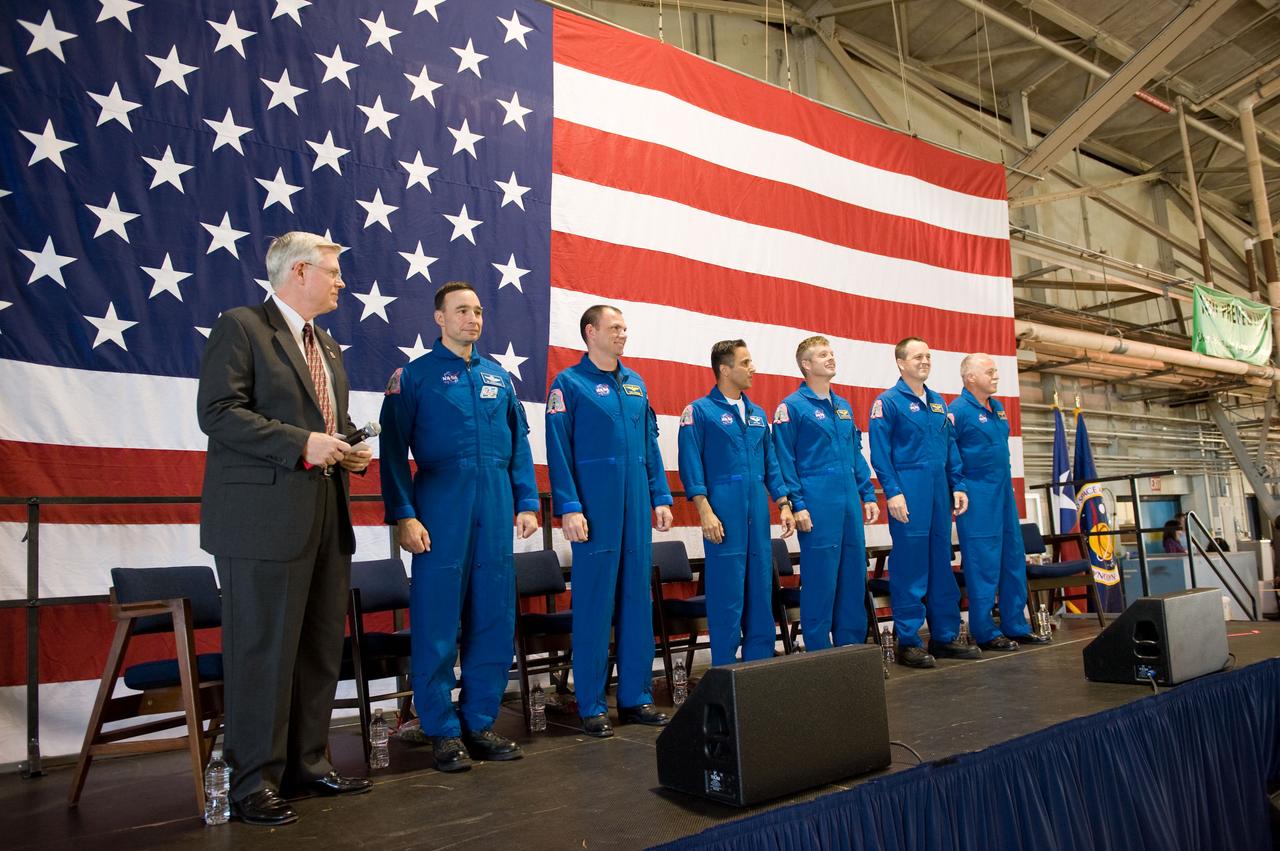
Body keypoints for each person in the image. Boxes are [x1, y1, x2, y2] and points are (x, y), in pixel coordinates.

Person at [197, 231, 373, 826]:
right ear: (299, 273)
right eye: (333, 272)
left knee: (319, 648)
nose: (341, 283)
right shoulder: (243, 327)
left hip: (325, 512)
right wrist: (302, 444)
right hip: (261, 522)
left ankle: (308, 763)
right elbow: (218, 413)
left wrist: (348, 448)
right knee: (262, 652)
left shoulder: (326, 343)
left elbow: (331, 421)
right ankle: (253, 781)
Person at [379, 282, 540, 773]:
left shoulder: (498, 378)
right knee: (437, 620)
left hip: (493, 502)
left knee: (493, 615)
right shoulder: (414, 378)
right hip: (439, 503)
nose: (472, 318)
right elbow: (391, 454)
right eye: (461, 310)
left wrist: (527, 501)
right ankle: (442, 730)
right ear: (439, 319)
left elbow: (519, 447)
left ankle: (479, 720)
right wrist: (404, 515)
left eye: (477, 310)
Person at [545, 305, 673, 737]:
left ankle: (636, 697)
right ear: (590, 332)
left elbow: (649, 445)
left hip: (636, 504)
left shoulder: (635, 384)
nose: (622, 334)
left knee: (637, 602)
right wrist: (569, 506)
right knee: (595, 607)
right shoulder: (569, 384)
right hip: (594, 509)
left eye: (624, 328)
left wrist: (660, 496)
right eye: (614, 327)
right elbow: (558, 451)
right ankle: (592, 703)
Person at [678, 340, 795, 665]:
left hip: (756, 510)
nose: (752, 368)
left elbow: (770, 463)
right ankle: (725, 669)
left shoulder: (757, 415)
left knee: (760, 590)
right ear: (725, 369)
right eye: (745, 362)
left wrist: (783, 503)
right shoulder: (700, 412)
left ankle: (758, 667)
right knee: (727, 595)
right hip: (722, 511)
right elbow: (691, 464)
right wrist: (704, 511)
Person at [869, 337, 977, 668]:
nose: (925, 361)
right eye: (918, 356)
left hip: (938, 494)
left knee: (941, 566)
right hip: (909, 492)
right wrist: (893, 491)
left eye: (928, 356)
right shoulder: (887, 403)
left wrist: (957, 484)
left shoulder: (938, 404)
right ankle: (910, 640)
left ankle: (944, 636)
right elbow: (880, 453)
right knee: (911, 567)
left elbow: (950, 449)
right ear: (901, 363)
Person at [771, 336, 880, 651]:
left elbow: (855, 454)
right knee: (820, 581)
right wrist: (797, 504)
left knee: (852, 575)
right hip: (817, 503)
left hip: (848, 502)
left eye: (832, 353)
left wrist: (868, 493)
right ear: (807, 364)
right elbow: (784, 459)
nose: (831, 358)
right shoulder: (791, 408)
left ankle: (851, 648)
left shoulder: (843, 407)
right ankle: (819, 652)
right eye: (823, 354)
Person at [951, 354, 1048, 651]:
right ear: (970, 377)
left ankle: (1015, 624)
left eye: (995, 371)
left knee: (1012, 558)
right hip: (977, 494)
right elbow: (950, 455)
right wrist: (958, 486)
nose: (996, 376)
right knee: (983, 563)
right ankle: (984, 630)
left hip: (1003, 491)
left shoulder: (998, 409)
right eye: (989, 371)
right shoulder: (957, 411)